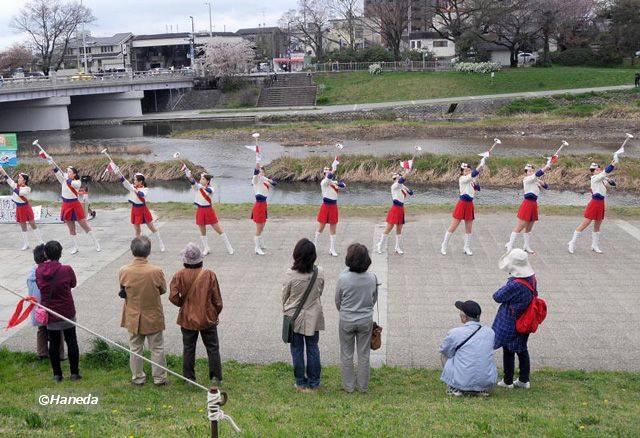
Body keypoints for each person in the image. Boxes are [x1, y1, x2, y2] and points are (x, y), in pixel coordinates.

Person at [169, 243, 224, 385]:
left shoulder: (179, 275)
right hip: (207, 318)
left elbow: (173, 297)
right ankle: (215, 377)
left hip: (187, 318)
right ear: (200, 259)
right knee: (212, 348)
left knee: (188, 348)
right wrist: (214, 313)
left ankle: (189, 378)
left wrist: (183, 304)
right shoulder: (209, 274)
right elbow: (217, 300)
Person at [119, 236, 168, 386]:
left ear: (132, 251)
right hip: (152, 314)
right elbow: (163, 290)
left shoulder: (124, 270)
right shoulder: (156, 271)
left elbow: (122, 289)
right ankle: (159, 378)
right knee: (157, 347)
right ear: (149, 252)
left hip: (133, 315)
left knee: (135, 348)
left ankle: (138, 377)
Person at [282, 238, 325, 391]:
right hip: (314, 315)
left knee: (297, 349)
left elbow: (284, 296)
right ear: (313, 256)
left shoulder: (290, 274)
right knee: (313, 347)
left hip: (295, 317)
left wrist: (286, 309)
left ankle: (300, 382)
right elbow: (320, 291)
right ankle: (314, 382)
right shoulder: (319, 272)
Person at [335, 243, 378, 393]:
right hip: (365, 320)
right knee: (364, 354)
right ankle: (363, 386)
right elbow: (374, 299)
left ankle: (349, 386)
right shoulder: (372, 278)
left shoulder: (343, 278)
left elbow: (337, 301)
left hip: (346, 318)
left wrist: (345, 311)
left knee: (346, 353)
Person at [35, 241, 80, 382]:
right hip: (67, 311)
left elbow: (39, 286)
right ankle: (74, 373)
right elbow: (73, 283)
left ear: (45, 254)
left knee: (53, 343)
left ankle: (57, 375)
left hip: (50, 312)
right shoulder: (66, 269)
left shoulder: (39, 271)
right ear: (60, 254)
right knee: (71, 341)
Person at [492, 249, 537, 389]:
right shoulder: (531, 278)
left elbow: (497, 296)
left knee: (508, 349)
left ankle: (507, 381)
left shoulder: (515, 284)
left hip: (512, 321)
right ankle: (524, 379)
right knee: (522, 349)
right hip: (525, 319)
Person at [44, 153, 100, 254]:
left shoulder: (77, 182)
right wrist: (50, 161)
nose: (67, 173)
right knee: (71, 228)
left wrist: (67, 178)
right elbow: (56, 172)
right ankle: (76, 247)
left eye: (70, 172)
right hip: (66, 205)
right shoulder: (63, 180)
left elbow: (73, 184)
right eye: (67, 171)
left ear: (74, 174)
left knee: (85, 226)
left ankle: (96, 243)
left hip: (75, 205)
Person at [439, 300, 497, 396]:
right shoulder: (490, 332)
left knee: (445, 354)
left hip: (461, 382)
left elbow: (445, 351)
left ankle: (454, 387)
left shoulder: (455, 332)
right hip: (486, 382)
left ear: (464, 317)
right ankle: (481, 389)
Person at [567, 159, 618, 254]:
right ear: (593, 171)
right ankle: (572, 243)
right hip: (594, 203)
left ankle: (594, 245)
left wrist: (609, 180)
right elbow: (606, 171)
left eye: (599, 169)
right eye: (597, 170)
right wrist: (613, 164)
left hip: (601, 203)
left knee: (598, 225)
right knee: (585, 224)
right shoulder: (594, 178)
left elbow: (614, 184)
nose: (599, 170)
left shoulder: (602, 179)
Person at [440, 156, 488, 256]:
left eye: (469, 170)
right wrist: (481, 165)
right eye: (466, 171)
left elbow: (477, 187)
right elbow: (474, 174)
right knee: (453, 227)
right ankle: (444, 245)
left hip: (470, 204)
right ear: (462, 172)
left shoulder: (472, 179)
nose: (468, 172)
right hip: (462, 204)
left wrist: (475, 183)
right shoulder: (462, 178)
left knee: (469, 228)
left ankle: (466, 247)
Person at [505, 158, 554, 253]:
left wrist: (541, 181)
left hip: (534, 204)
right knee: (520, 226)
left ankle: (526, 246)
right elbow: (538, 173)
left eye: (532, 171)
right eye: (529, 171)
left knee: (529, 227)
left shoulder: (535, 179)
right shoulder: (526, 179)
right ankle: (510, 244)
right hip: (527, 204)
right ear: (526, 172)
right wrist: (546, 167)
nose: (531, 172)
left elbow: (547, 187)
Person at [183, 167, 234, 256]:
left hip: (209, 210)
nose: (200, 180)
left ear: (207, 181)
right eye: (201, 178)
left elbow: (208, 190)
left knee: (218, 229)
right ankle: (206, 248)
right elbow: (192, 182)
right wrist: (187, 173)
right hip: (200, 210)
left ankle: (229, 247)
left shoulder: (211, 188)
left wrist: (200, 185)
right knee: (202, 230)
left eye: (202, 179)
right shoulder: (197, 187)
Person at [27, 244, 64, 361]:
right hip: (50, 306)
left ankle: (42, 353)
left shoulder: (31, 275)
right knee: (57, 329)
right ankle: (60, 354)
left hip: (38, 309)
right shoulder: (47, 274)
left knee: (41, 329)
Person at [118, 171, 165, 252]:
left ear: (141, 181)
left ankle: (160, 242)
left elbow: (142, 195)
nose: (134, 181)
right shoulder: (132, 187)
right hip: (135, 210)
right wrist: (118, 173)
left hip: (143, 210)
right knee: (137, 230)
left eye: (136, 180)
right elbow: (125, 183)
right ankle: (137, 248)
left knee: (152, 228)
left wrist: (134, 189)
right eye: (134, 180)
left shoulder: (145, 189)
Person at [0, 168, 44, 250]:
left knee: (32, 224)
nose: (18, 179)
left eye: (20, 178)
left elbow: (19, 192)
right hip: (19, 208)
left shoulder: (27, 188)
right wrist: (2, 170)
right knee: (23, 226)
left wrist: (13, 185)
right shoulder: (16, 185)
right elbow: (7, 178)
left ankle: (41, 241)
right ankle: (26, 244)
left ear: (24, 180)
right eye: (19, 178)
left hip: (26, 207)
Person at [376, 171, 414, 255]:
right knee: (389, 228)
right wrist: (407, 171)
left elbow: (411, 193)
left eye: (399, 176)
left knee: (399, 229)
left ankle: (397, 247)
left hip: (401, 209)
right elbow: (401, 180)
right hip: (395, 208)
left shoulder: (401, 187)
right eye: (398, 177)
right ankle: (380, 245)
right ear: (395, 179)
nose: (399, 178)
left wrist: (406, 188)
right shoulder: (394, 186)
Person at [315, 167, 346, 257]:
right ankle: (314, 247)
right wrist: (332, 171)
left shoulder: (334, 183)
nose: (328, 174)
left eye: (328, 172)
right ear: (324, 174)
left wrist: (335, 183)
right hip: (325, 206)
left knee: (333, 229)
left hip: (333, 207)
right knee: (321, 228)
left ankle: (332, 249)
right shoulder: (323, 182)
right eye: (326, 173)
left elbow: (344, 185)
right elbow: (329, 178)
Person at [251, 163, 277, 255]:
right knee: (259, 228)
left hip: (264, 205)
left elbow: (275, 184)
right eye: (259, 171)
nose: (260, 173)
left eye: (262, 171)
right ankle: (257, 248)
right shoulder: (256, 180)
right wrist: (256, 170)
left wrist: (266, 179)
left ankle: (260, 244)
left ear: (264, 173)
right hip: (258, 206)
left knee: (262, 226)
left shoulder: (265, 181)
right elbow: (255, 177)